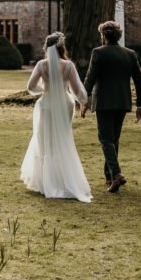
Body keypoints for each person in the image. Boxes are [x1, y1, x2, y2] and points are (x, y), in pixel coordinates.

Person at [19, 32, 92, 202]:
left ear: (47, 47)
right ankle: (62, 179)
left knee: (44, 140)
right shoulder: (68, 66)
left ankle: (45, 182)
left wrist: (44, 91)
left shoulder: (41, 65)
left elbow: (30, 86)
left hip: (46, 105)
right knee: (63, 139)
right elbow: (77, 90)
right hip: (65, 105)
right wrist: (83, 101)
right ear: (62, 47)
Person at [80, 20, 141, 193]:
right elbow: (139, 80)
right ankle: (109, 178)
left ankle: (116, 174)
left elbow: (90, 78)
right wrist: (140, 105)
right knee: (113, 140)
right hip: (123, 102)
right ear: (119, 36)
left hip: (103, 102)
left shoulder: (98, 52)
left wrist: (83, 100)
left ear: (103, 35)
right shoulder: (130, 54)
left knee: (105, 139)